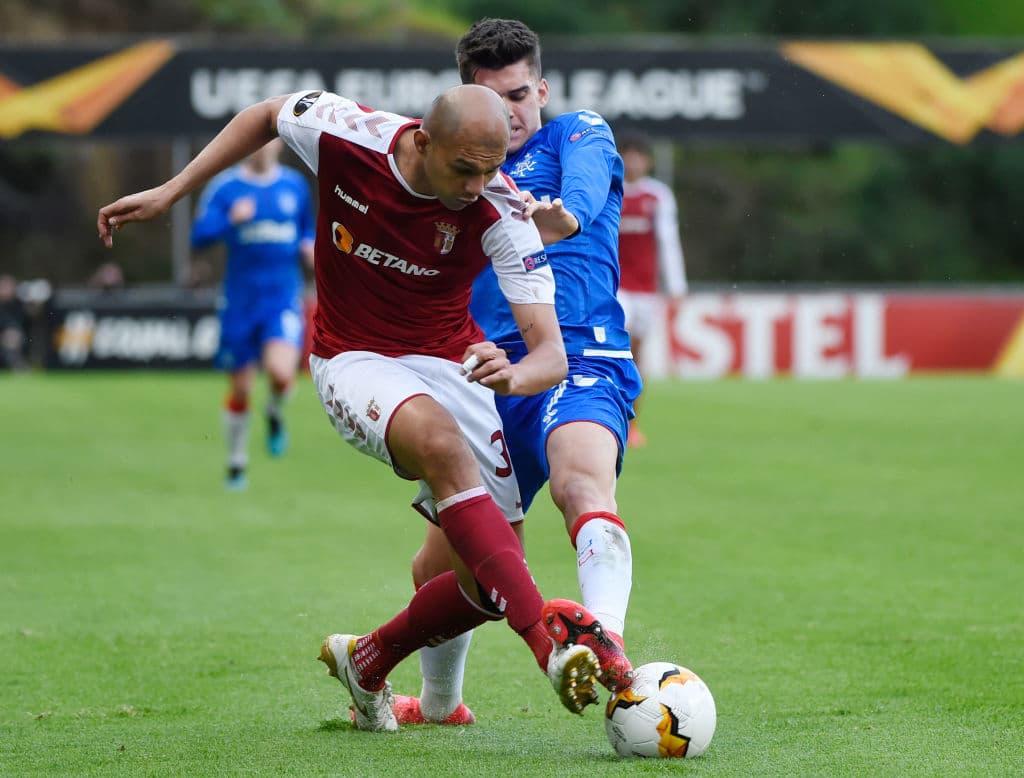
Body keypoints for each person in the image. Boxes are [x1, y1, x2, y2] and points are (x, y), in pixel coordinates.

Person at [97, 83, 611, 731]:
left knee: (485, 585)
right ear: (424, 139)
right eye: (465, 168)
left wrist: (514, 375)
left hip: (450, 363)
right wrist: (173, 190)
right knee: (442, 445)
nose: (481, 184)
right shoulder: (347, 132)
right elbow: (265, 114)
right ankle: (547, 645)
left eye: (492, 167)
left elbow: (551, 356)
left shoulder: (503, 210)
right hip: (351, 357)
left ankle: (368, 660)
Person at [389, 18, 642, 726]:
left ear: (544, 89)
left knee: (580, 479)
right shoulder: (458, 173)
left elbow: (586, 193)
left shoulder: (576, 133)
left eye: (522, 95)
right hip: (485, 377)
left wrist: (565, 217)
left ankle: (607, 645)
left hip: (579, 352)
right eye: (495, 102)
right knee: (437, 571)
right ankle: (440, 708)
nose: (514, 113)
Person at [190, 138, 316, 490]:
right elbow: (198, 235)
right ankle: (236, 463)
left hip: (282, 298)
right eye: (255, 141)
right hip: (239, 301)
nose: (260, 147)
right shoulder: (226, 187)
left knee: (280, 373)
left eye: (268, 141)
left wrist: (308, 243)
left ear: (279, 146)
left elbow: (307, 226)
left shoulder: (293, 184)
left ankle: (274, 411)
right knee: (242, 386)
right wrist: (230, 220)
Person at [616, 130, 688, 447]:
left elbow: (668, 241)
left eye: (639, 155)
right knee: (619, 349)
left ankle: (632, 423)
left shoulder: (657, 195)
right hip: (615, 288)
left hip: (647, 289)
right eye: (628, 154)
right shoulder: (608, 190)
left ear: (647, 160)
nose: (633, 161)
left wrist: (676, 286)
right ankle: (611, 419)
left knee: (637, 356)